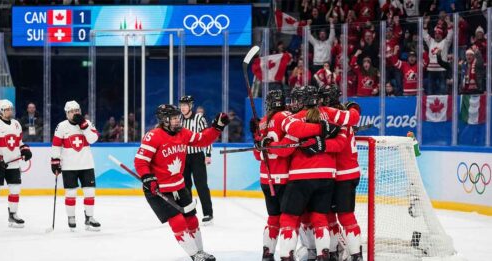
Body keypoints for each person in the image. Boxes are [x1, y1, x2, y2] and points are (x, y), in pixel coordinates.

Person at [251, 89, 341, 261]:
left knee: (274, 218)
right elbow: (286, 148)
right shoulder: (286, 116)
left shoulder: (262, 122)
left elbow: (258, 155)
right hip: (285, 177)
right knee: (302, 218)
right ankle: (315, 252)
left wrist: (259, 141)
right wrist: (322, 130)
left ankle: (268, 254)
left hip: (267, 178)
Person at [134, 104, 229, 261]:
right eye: (174, 118)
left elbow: (202, 140)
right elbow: (140, 161)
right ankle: (194, 255)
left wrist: (217, 127)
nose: (178, 120)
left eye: (178, 117)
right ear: (164, 120)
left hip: (179, 186)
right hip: (158, 189)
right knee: (177, 221)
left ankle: (200, 251)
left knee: (192, 219)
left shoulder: (183, 133)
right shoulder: (153, 136)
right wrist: (148, 177)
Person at [319, 86, 364, 261]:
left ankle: (351, 254)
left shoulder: (330, 113)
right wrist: (354, 107)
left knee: (342, 216)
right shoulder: (343, 112)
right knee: (332, 215)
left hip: (341, 175)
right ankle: (345, 253)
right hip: (346, 173)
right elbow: (353, 115)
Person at [0, 99, 33, 230]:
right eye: (7, 109)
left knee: (15, 189)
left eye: (11, 109)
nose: (10, 111)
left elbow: (18, 142)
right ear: (0, 111)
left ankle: (13, 215)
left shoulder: (16, 124)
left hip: (13, 163)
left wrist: (24, 149)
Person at [51, 100, 101, 231]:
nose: (74, 113)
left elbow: (93, 139)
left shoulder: (87, 123)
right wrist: (55, 161)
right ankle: (71, 217)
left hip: (87, 164)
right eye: (72, 111)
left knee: (90, 192)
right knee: (71, 193)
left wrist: (84, 126)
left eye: (76, 111)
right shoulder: (61, 126)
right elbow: (56, 145)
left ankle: (89, 217)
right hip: (69, 166)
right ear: (67, 113)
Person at [179, 96, 214, 225]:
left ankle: (208, 213)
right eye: (181, 105)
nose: (182, 107)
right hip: (183, 157)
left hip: (197, 157)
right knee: (185, 186)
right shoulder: (179, 120)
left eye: (185, 105)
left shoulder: (199, 118)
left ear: (190, 106)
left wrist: (208, 154)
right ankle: (189, 213)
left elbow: (207, 136)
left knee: (201, 186)